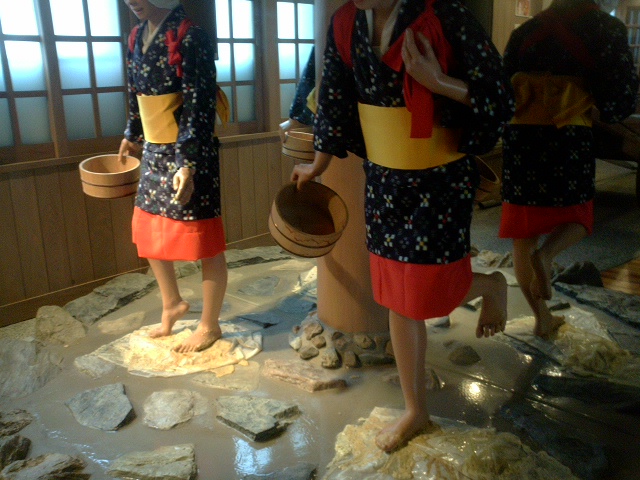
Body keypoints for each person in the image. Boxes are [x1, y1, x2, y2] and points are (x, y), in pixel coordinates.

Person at [292, 0, 514, 452]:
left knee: (429, 286)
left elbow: (501, 97)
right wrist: (318, 163)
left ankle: (490, 285)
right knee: (397, 293)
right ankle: (416, 409)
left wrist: (439, 82)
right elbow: (334, 96)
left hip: (440, 175)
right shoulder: (346, 23)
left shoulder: (445, 15)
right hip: (384, 179)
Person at [499, 0, 639, 339]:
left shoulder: (526, 31)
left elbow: (500, 88)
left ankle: (541, 318)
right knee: (578, 216)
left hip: (522, 139)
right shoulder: (606, 28)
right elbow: (618, 100)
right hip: (567, 137)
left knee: (523, 234)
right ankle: (548, 254)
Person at [119, 0, 228, 353]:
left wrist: (188, 163)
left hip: (190, 151)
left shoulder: (192, 37)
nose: (133, 1)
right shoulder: (137, 36)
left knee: (205, 241)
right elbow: (135, 93)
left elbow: (199, 105)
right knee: (147, 229)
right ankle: (172, 304)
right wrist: (132, 133)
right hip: (154, 150)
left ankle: (209, 325)